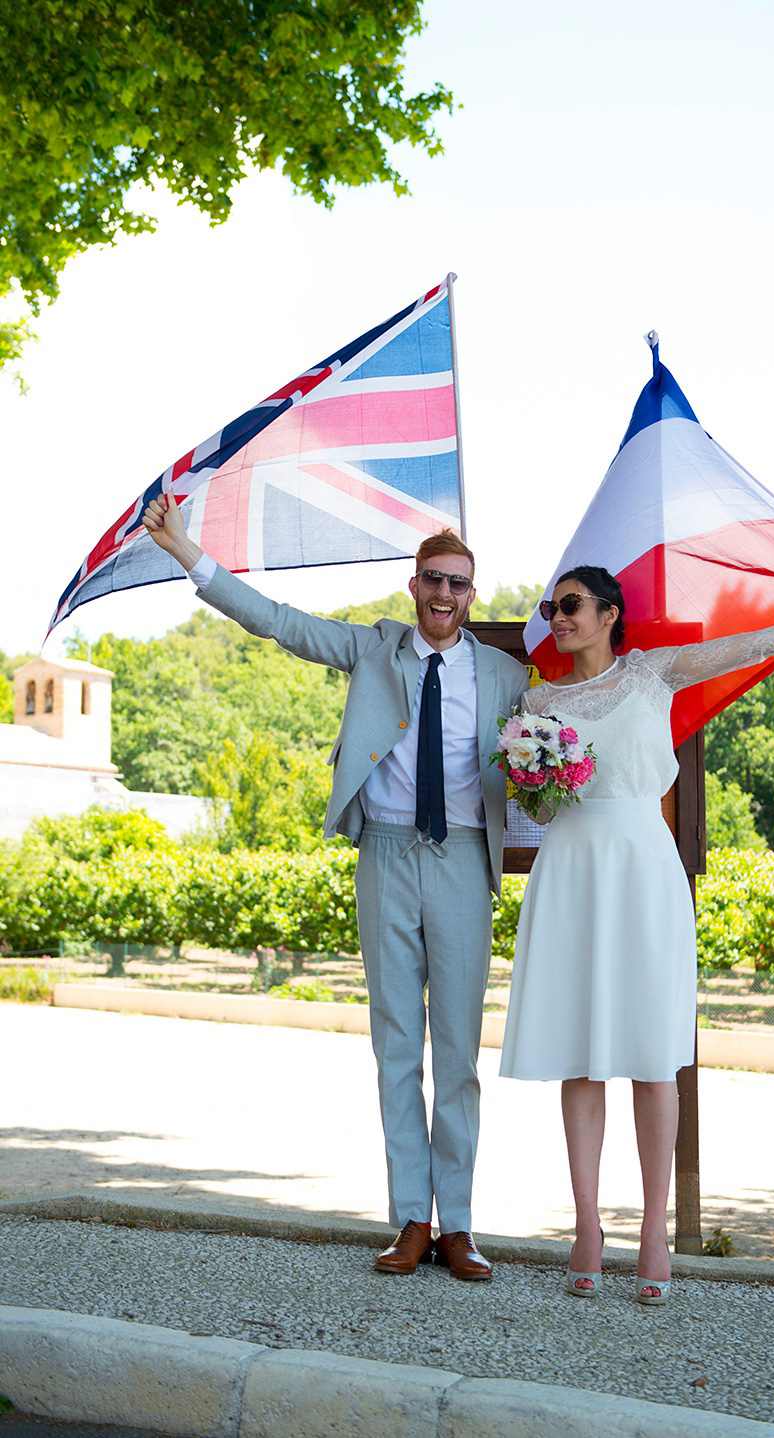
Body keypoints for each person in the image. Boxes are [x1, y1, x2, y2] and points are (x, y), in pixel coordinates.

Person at [144, 495, 529, 1281]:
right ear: (412, 585)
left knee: (456, 1053)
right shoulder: (374, 649)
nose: (445, 595)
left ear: (473, 593)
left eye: (458, 582)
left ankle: (458, 1225)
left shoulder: (506, 674)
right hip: (385, 856)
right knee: (396, 1047)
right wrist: (189, 552)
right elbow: (279, 622)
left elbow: (562, 725)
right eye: (432, 580)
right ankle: (411, 1223)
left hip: (462, 860)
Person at [499, 565, 774, 1304]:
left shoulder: (653, 673)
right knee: (578, 1057)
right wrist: (536, 780)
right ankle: (587, 1226)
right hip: (572, 866)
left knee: (654, 1055)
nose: (559, 616)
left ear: (610, 613)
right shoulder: (537, 701)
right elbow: (541, 809)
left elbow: (758, 643)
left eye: (573, 605)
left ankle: (654, 1229)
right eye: (552, 606)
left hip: (643, 864)